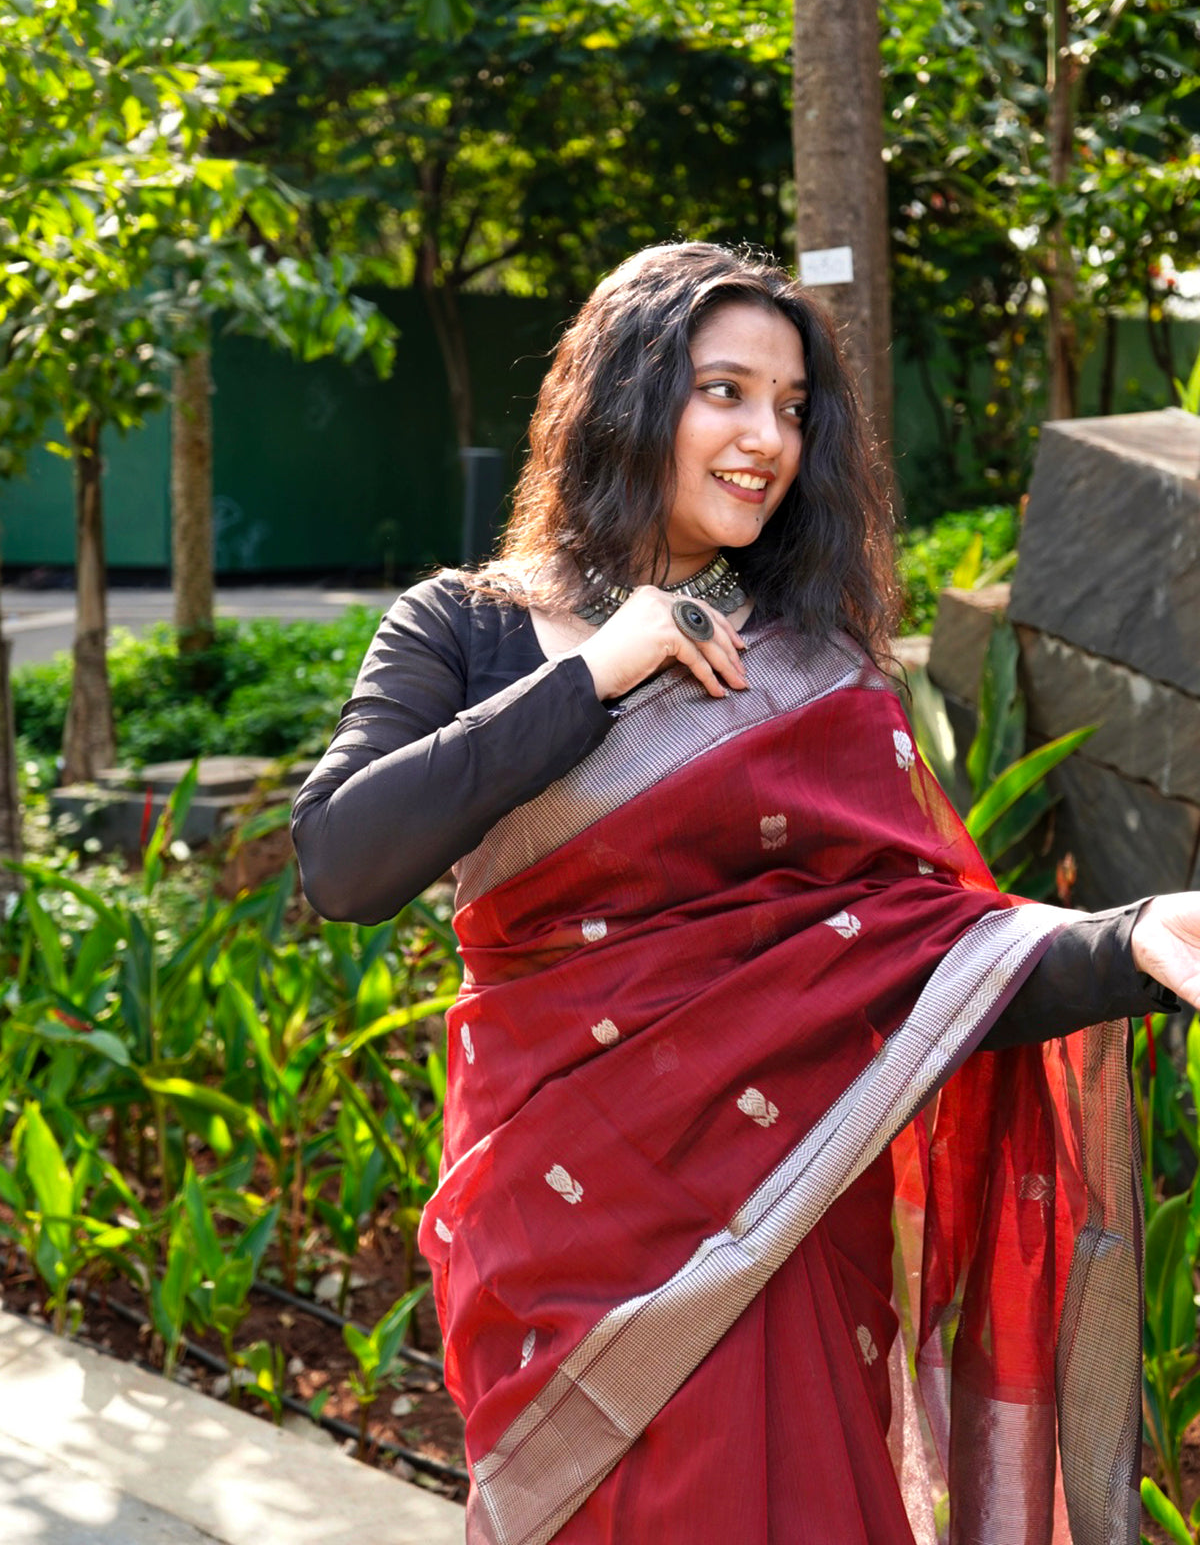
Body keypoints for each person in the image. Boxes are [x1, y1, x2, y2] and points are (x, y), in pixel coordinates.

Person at [293, 243, 1200, 1545]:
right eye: (725, 390)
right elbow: (341, 862)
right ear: (627, 394)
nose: (766, 436)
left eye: (791, 406)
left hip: (771, 1234)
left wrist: (1133, 940)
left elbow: (924, 963)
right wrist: (599, 669)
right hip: (563, 1240)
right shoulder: (466, 627)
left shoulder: (821, 676)